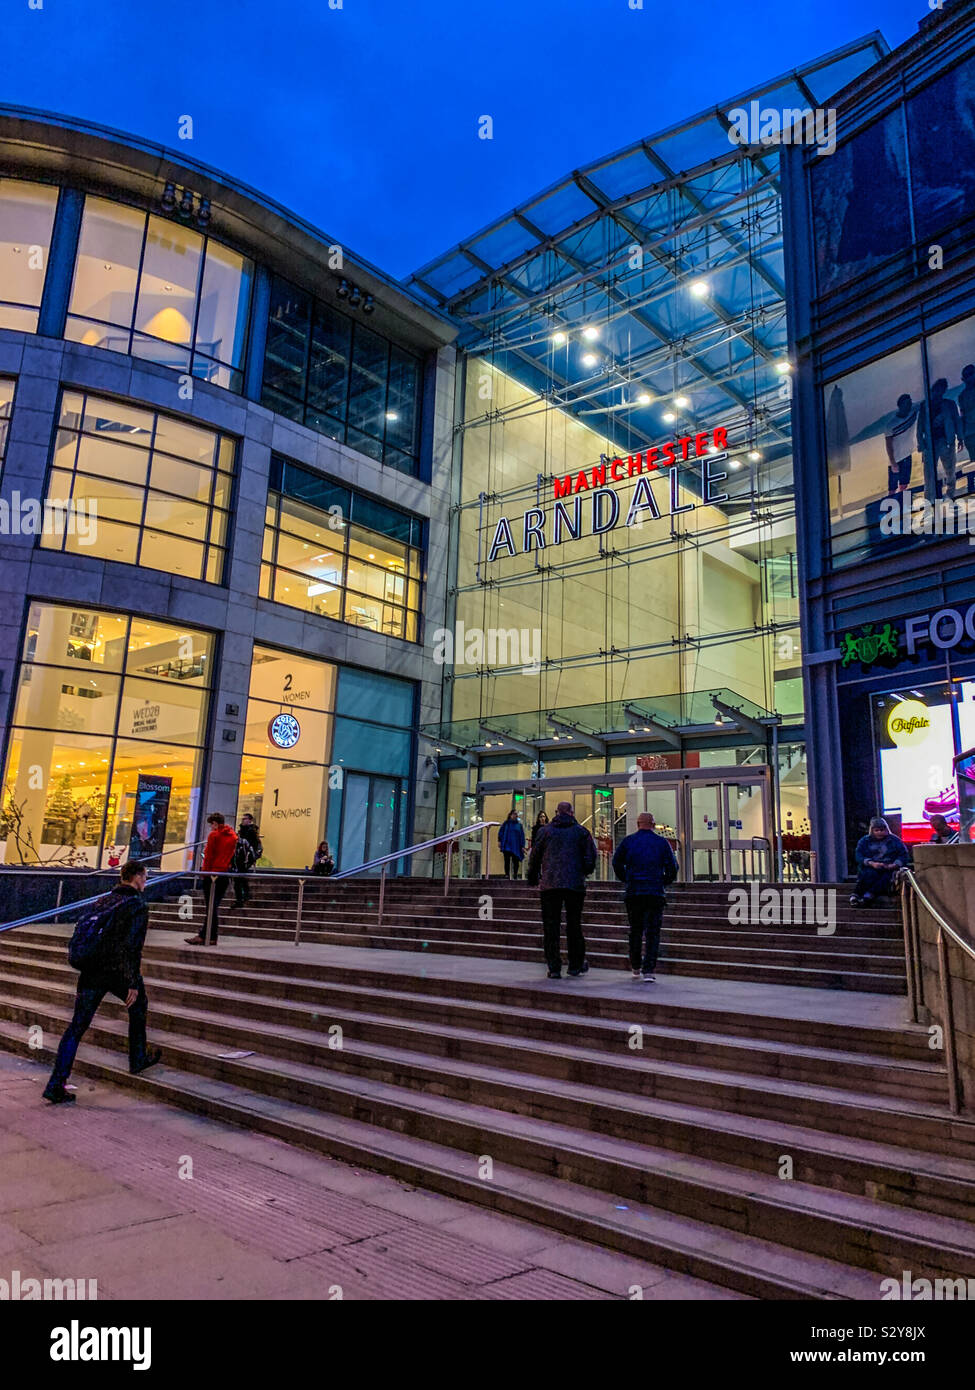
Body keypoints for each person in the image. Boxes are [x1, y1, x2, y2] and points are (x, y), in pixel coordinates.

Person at [43, 861, 161, 1104]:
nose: (146, 882)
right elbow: (131, 946)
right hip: (114, 972)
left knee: (77, 1027)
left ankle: (56, 1083)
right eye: (145, 877)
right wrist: (132, 981)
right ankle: (137, 1058)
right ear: (136, 877)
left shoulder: (105, 900)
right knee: (138, 1005)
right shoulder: (136, 904)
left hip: (91, 971)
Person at [525, 800, 597, 979]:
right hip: (574, 884)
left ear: (557, 812)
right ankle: (575, 965)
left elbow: (535, 855)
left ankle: (554, 967)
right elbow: (591, 856)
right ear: (571, 813)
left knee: (551, 927)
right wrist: (584, 871)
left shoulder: (545, 831)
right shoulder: (581, 832)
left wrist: (533, 876)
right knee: (574, 925)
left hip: (550, 884)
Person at [612, 812, 679, 982]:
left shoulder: (628, 841)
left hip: (634, 891)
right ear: (653, 824)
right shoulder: (662, 843)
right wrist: (663, 881)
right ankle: (649, 969)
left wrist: (626, 878)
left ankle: (635, 965)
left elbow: (616, 862)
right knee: (653, 932)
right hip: (654, 891)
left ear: (637, 823)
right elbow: (673, 867)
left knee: (635, 930)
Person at [185, 813, 237, 945]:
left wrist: (204, 872)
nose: (210, 827)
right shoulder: (232, 836)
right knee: (213, 906)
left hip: (212, 874)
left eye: (211, 824)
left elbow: (208, 856)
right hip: (224, 874)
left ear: (214, 823)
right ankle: (209, 935)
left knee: (210, 906)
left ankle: (206, 935)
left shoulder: (214, 835)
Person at [851, 817, 910, 906]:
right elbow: (859, 855)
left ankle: (869, 895)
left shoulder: (895, 840)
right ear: (872, 830)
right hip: (870, 866)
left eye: (882, 830)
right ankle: (856, 895)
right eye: (877, 830)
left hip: (890, 867)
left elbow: (904, 854)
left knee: (886, 877)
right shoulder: (864, 841)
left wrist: (894, 864)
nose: (880, 832)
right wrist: (871, 863)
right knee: (869, 874)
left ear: (886, 829)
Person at [918, 378, 960, 502]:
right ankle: (930, 499)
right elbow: (920, 426)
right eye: (937, 389)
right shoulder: (924, 406)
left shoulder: (949, 404)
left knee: (950, 470)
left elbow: (956, 420)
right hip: (930, 444)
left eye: (942, 389)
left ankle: (950, 495)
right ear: (933, 390)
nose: (939, 391)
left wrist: (960, 438)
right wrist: (921, 442)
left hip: (946, 441)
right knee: (929, 474)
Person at [884, 394, 918, 496]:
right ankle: (892, 506)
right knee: (892, 487)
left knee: (904, 484)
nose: (909, 405)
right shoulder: (891, 425)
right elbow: (888, 445)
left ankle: (901, 502)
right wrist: (893, 462)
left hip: (907, 455)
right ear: (900, 405)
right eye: (907, 403)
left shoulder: (913, 413)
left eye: (910, 402)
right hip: (896, 458)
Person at [232, 813, 263, 908]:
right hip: (240, 858)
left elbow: (255, 845)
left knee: (238, 879)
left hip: (246, 858)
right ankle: (245, 896)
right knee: (241, 878)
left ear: (250, 820)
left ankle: (240, 899)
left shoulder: (252, 831)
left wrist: (252, 857)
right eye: (243, 819)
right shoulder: (242, 831)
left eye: (245, 819)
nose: (243, 820)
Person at [497, 810, 526, 879]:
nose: (515, 815)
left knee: (516, 861)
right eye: (514, 814)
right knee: (506, 860)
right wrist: (499, 841)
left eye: (516, 814)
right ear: (510, 815)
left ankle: (515, 874)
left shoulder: (519, 825)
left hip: (516, 846)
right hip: (507, 845)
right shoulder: (506, 824)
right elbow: (500, 832)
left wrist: (522, 846)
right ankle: (507, 874)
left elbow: (522, 836)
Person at [958, 364, 975, 468]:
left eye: (971, 374)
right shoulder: (962, 397)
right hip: (970, 435)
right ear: (963, 379)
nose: (970, 377)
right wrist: (961, 438)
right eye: (967, 375)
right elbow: (962, 416)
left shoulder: (962, 396)